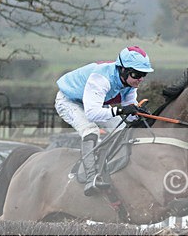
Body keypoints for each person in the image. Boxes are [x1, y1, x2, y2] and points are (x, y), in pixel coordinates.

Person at [54, 45, 154, 196]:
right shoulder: (101, 78)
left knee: (122, 131)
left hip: (95, 103)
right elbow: (92, 114)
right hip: (69, 101)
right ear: (123, 70)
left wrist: (138, 113)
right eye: (136, 74)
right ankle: (91, 178)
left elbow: (129, 111)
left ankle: (108, 166)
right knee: (90, 130)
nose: (140, 79)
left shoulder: (130, 84)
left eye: (143, 74)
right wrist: (121, 110)